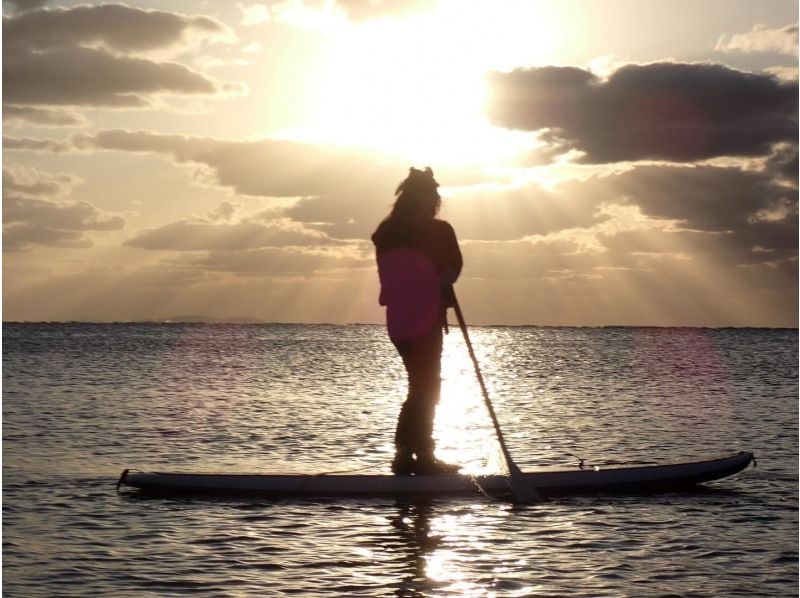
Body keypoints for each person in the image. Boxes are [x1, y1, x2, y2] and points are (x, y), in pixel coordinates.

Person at [372, 167, 463, 475]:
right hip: (418, 319)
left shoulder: (388, 231)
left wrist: (443, 273)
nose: (433, 201)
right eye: (429, 196)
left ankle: (407, 455)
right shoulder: (430, 231)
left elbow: (451, 268)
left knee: (422, 385)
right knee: (425, 386)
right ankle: (419, 456)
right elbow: (449, 269)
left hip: (403, 320)